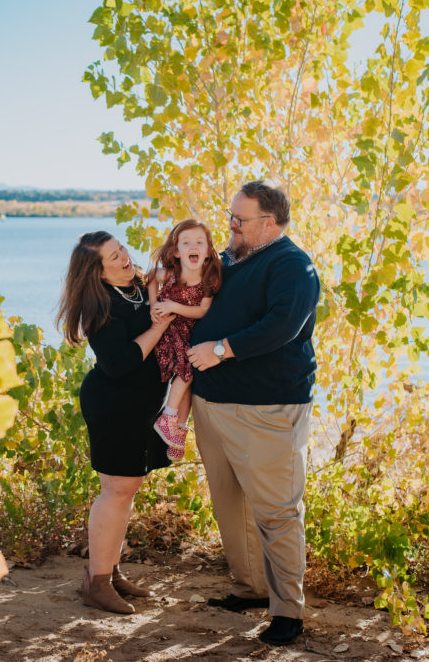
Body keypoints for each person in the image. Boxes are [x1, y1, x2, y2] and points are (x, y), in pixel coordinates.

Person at [186, 180, 320, 646]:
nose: (230, 225)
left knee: (277, 511)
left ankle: (288, 612)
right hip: (212, 406)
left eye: (239, 220)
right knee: (229, 506)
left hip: (267, 410)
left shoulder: (293, 266)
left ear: (270, 223)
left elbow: (283, 326)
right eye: (230, 216)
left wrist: (221, 349)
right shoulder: (229, 261)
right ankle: (250, 589)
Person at [57, 231, 175, 615]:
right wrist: (158, 328)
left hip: (141, 404)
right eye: (113, 257)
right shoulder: (99, 307)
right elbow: (120, 363)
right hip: (113, 404)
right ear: (98, 272)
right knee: (116, 489)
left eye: (121, 248)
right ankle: (97, 583)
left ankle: (110, 570)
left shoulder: (140, 285)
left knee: (128, 487)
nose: (124, 257)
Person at [147, 219, 222, 461]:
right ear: (177, 252)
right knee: (187, 368)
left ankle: (177, 427)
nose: (194, 246)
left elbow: (202, 311)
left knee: (188, 379)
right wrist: (154, 305)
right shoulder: (172, 273)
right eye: (186, 242)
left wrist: (172, 305)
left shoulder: (208, 279)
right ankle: (168, 416)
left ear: (208, 251)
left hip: (188, 331)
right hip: (169, 331)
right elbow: (150, 278)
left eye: (200, 242)